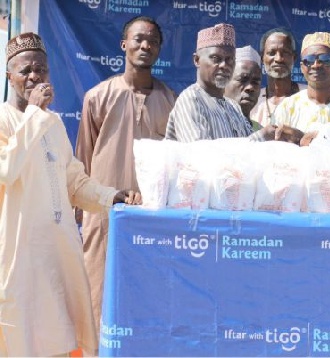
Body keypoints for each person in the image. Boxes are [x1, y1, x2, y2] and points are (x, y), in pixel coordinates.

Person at [0, 32, 140, 357]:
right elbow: (7, 169)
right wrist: (34, 115)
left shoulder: (53, 124)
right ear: (9, 76)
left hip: (57, 260)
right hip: (19, 262)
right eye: (25, 71)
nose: (35, 77)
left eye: (41, 70)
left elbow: (75, 184)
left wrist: (112, 196)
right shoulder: (7, 120)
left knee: (59, 344)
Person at [75, 15, 177, 332]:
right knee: (96, 299)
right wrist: (80, 215)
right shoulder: (97, 96)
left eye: (153, 41)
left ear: (160, 50)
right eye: (138, 39)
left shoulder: (172, 102)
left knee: (147, 300)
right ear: (124, 45)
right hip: (102, 217)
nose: (145, 45)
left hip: (152, 220)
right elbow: (83, 163)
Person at [165, 23, 302, 144]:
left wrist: (282, 137)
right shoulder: (191, 100)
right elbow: (200, 157)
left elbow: (250, 150)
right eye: (216, 58)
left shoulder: (232, 107)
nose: (224, 65)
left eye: (230, 59)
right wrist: (261, 137)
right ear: (197, 60)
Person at [271, 31, 330, 137]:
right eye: (309, 60)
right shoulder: (287, 108)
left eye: (324, 59)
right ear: (302, 67)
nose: (316, 65)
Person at [251, 27, 306, 127]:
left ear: (294, 58)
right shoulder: (253, 99)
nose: (278, 59)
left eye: (285, 53)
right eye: (271, 53)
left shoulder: (308, 96)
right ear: (262, 57)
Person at [223, 45, 262, 130]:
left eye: (255, 82)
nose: (250, 87)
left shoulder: (263, 133)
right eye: (243, 80)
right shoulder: (212, 124)